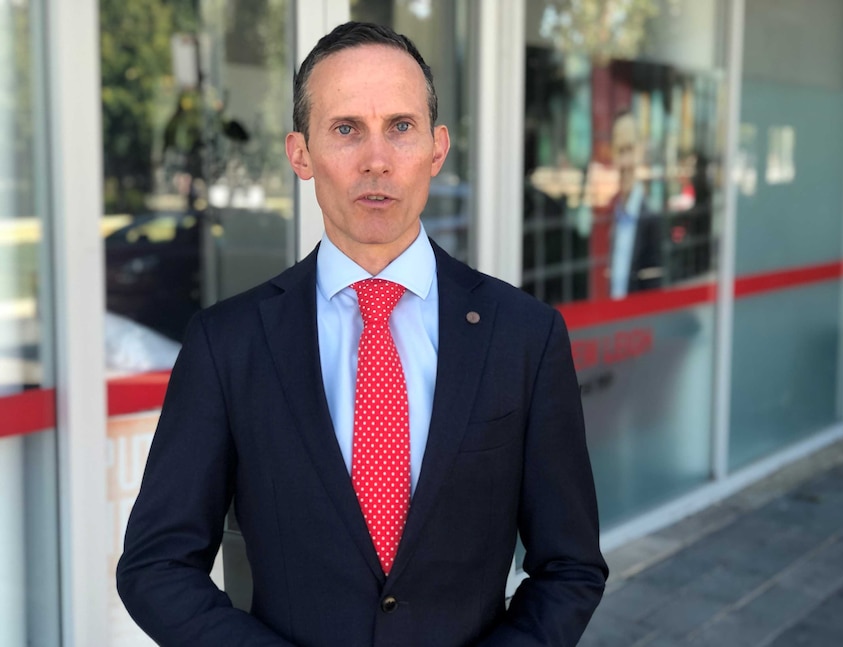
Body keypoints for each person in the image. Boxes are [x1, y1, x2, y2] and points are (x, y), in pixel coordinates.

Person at [117, 21, 607, 646]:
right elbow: (155, 567)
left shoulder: (525, 337)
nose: (377, 159)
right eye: (346, 129)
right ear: (301, 154)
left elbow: (570, 567)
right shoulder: (228, 344)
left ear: (437, 147)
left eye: (400, 127)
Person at [607, 110, 663, 299]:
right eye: (619, 151)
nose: (624, 162)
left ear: (640, 152)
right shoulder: (610, 213)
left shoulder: (653, 218)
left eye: (629, 150)